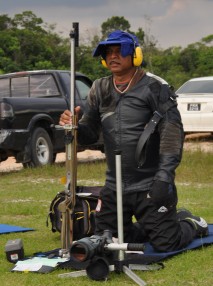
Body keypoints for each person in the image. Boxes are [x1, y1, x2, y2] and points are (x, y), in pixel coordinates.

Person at [59, 30, 209, 252]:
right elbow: (90, 134)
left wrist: (164, 177)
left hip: (150, 184)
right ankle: (149, 226)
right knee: (106, 241)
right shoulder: (99, 88)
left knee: (165, 243)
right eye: (108, 52)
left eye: (120, 51)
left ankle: (190, 223)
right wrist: (75, 125)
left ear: (135, 55)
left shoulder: (155, 87)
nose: (113, 56)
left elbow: (172, 134)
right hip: (114, 185)